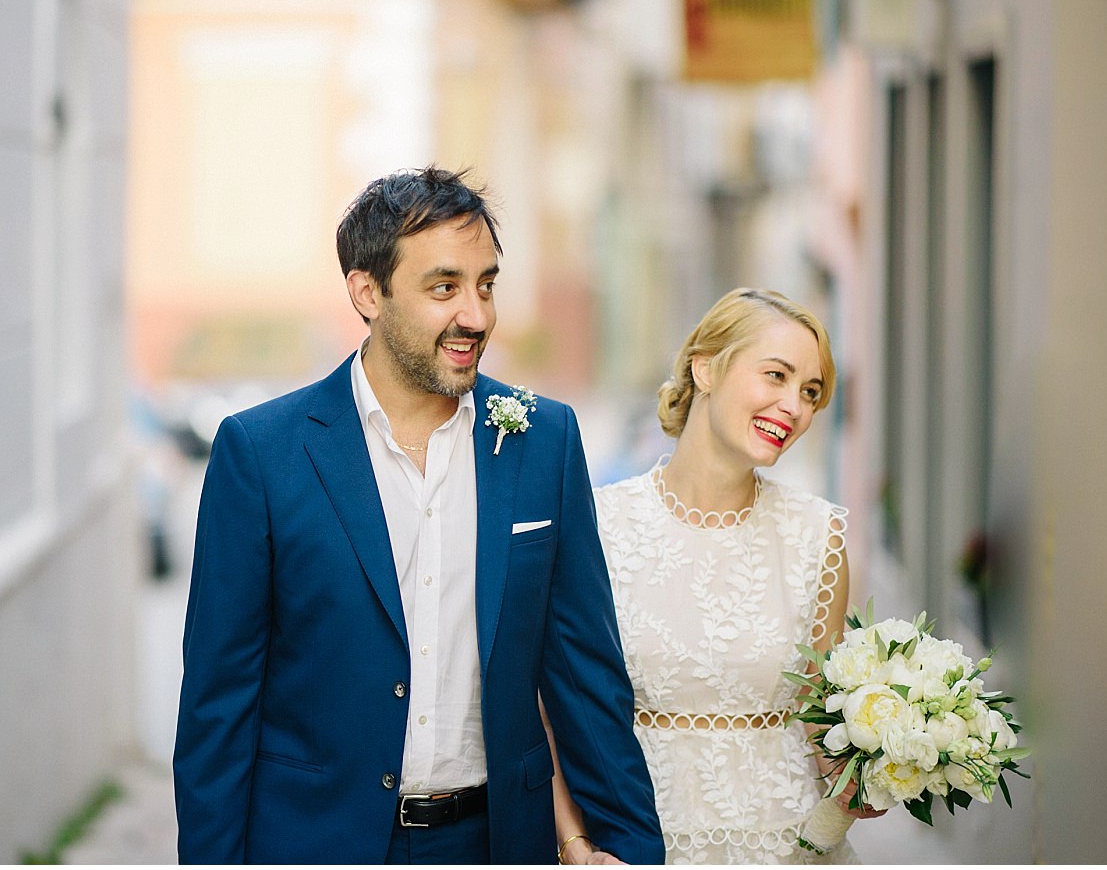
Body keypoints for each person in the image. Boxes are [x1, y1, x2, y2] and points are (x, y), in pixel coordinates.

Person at [173, 167, 663, 865]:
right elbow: (217, 711)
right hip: (315, 842)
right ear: (367, 292)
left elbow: (587, 676)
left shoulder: (543, 442)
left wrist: (634, 848)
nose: (477, 315)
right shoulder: (261, 455)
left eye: (486, 284)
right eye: (444, 287)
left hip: (496, 843)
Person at [547, 288, 884, 865]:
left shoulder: (818, 535)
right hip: (638, 842)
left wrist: (883, 764)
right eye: (775, 376)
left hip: (785, 847)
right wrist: (573, 842)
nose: (794, 407)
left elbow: (821, 718)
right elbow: (546, 708)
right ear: (705, 368)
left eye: (809, 392)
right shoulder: (598, 524)